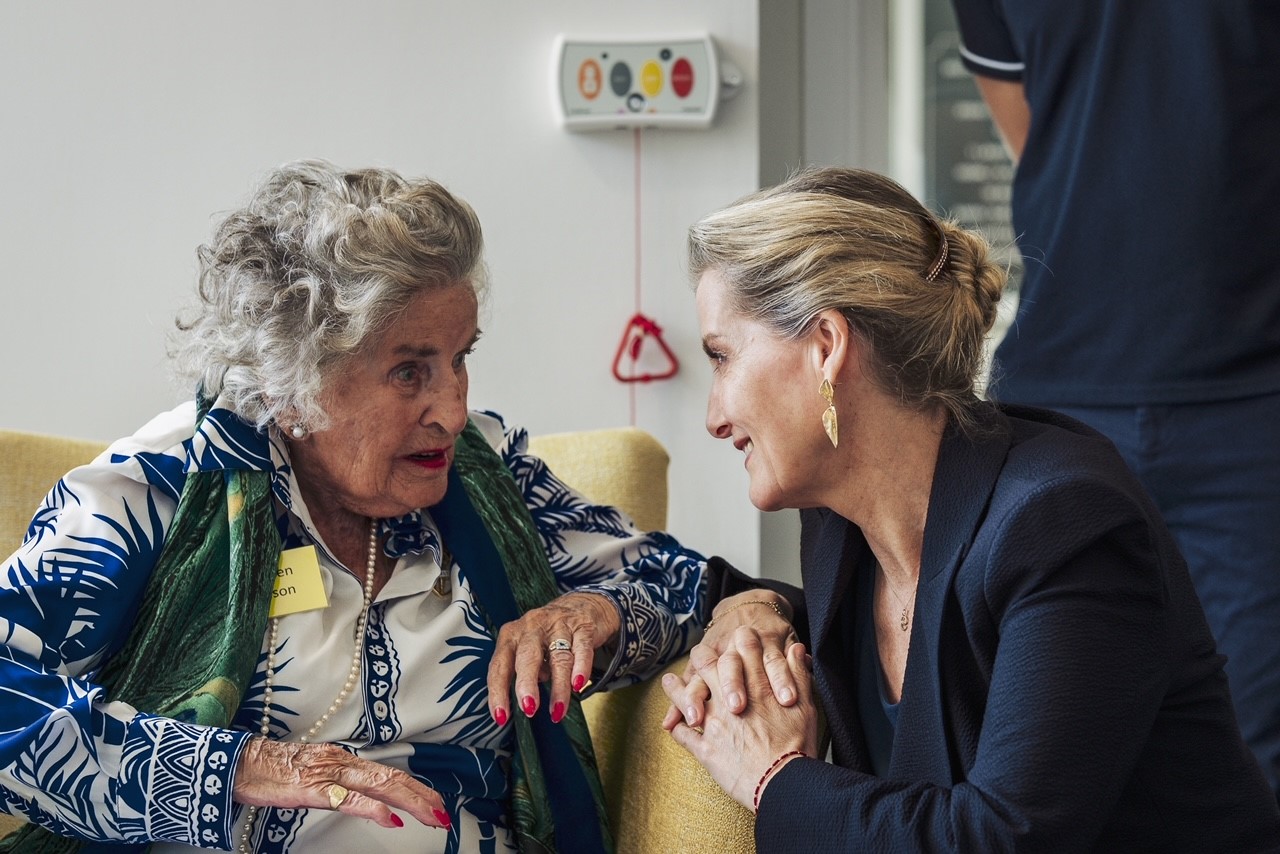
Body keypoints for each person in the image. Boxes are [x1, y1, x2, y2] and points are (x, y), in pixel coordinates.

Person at [0, 160, 707, 853]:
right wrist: (243, 767)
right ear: (294, 379)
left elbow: (689, 587)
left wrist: (595, 613)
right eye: (410, 371)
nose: (454, 411)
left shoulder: (489, 473)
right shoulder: (164, 487)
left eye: (460, 358)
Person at [660, 167, 1280, 851]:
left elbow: (1000, 840)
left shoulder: (1064, 523)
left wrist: (772, 777)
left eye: (721, 357)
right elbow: (916, 636)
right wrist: (752, 608)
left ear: (827, 348)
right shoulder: (842, 524)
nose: (715, 417)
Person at [947, 1, 1280, 799]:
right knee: (1034, 746)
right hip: (1059, 395)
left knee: (1256, 755)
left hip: (1256, 401)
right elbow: (1042, 138)